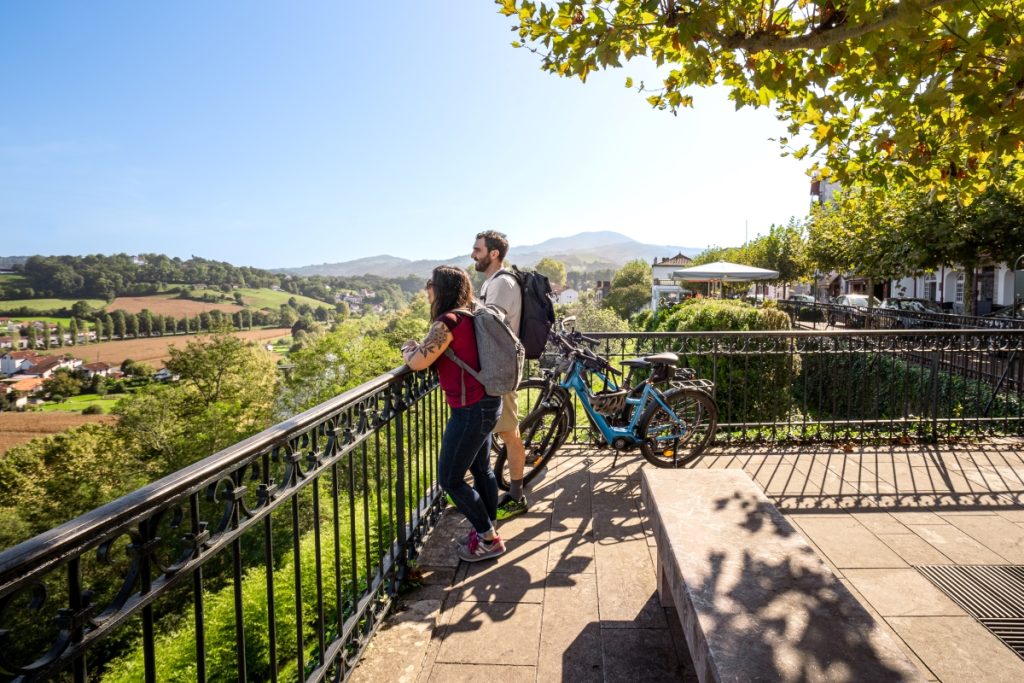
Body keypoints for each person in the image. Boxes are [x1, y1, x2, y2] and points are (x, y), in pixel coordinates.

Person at [402, 266, 505, 562]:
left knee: (449, 479)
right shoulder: (471, 313)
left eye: (429, 284)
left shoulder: (447, 321)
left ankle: (489, 540)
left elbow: (420, 362)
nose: (427, 289)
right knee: (481, 469)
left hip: (470, 409)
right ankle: (489, 528)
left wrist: (407, 349)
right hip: (488, 402)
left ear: (441, 289)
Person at [471, 230, 529, 520]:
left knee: (509, 432)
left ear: (494, 254)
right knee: (487, 430)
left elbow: (490, 323)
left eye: (477, 250)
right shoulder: (491, 283)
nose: (473, 254)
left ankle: (517, 495)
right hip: (491, 369)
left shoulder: (503, 283)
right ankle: (481, 494)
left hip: (501, 369)